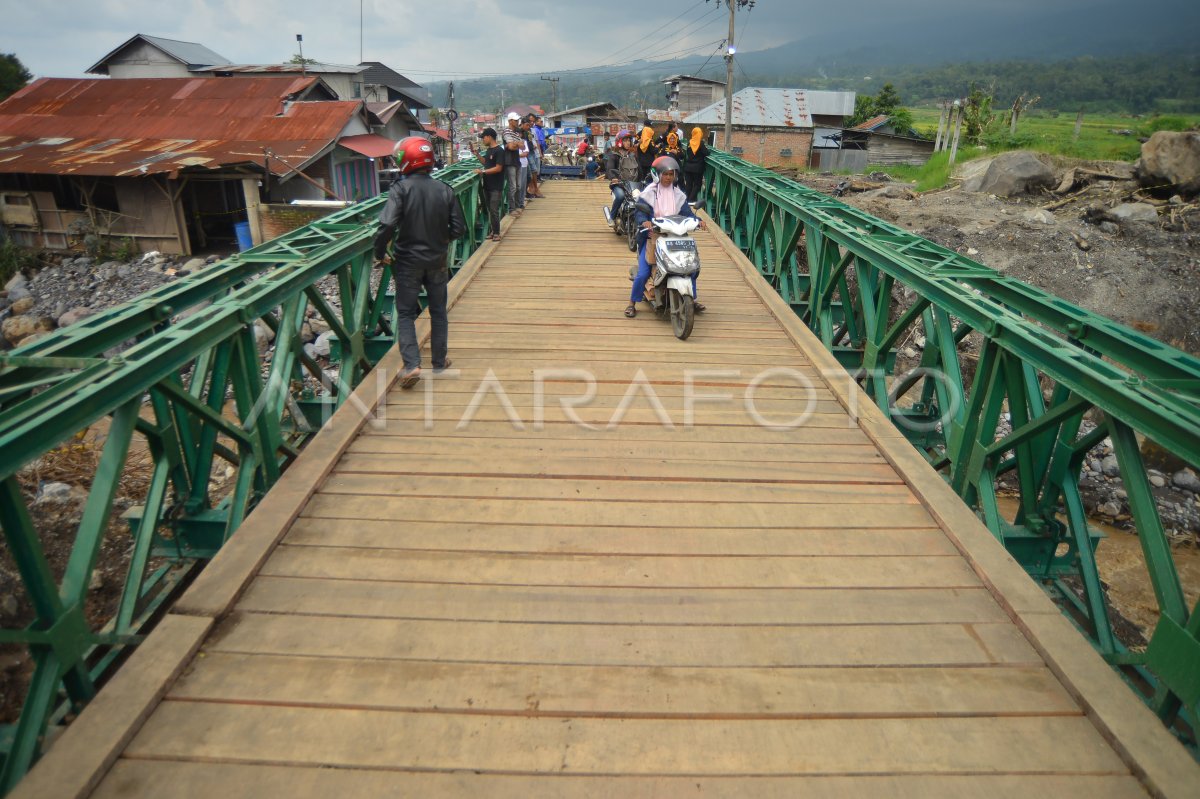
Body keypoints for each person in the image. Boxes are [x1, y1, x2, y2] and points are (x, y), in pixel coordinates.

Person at [373, 137, 467, 388]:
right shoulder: (444, 189)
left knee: (405, 313)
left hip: (407, 263)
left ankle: (413, 365)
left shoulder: (400, 189)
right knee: (438, 312)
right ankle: (438, 361)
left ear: (406, 160)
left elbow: (386, 224)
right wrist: (440, 239)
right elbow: (459, 228)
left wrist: (379, 252)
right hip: (437, 260)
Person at [624, 155, 706, 318]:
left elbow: (687, 213)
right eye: (666, 174)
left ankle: (691, 298)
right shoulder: (649, 193)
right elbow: (640, 212)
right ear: (658, 175)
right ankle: (632, 303)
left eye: (672, 174)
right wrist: (644, 222)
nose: (669, 178)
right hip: (652, 238)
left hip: (676, 238)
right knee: (643, 273)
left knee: (692, 268)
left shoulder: (678, 195)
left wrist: (698, 220)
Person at [471, 128, 505, 241]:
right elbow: (486, 163)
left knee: (494, 210)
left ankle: (497, 233)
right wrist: (477, 155)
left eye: (483, 137)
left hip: (496, 185)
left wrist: (483, 172)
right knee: (490, 210)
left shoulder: (499, 151)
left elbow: (498, 168)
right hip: (487, 184)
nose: (483, 140)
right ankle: (492, 231)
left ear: (489, 137)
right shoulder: (489, 150)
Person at [604, 131, 640, 226]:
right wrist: (613, 178)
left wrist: (646, 179)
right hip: (618, 184)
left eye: (629, 140)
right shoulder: (614, 155)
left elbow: (639, 169)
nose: (628, 142)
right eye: (625, 140)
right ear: (619, 141)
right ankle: (612, 217)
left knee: (643, 198)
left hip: (632, 184)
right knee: (620, 196)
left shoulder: (633, 155)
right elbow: (610, 169)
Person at [501, 112, 524, 216]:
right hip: (509, 161)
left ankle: (517, 206)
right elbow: (511, 147)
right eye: (515, 120)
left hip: (516, 160)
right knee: (513, 186)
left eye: (517, 120)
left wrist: (515, 144)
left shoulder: (515, 132)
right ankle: (512, 209)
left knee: (518, 186)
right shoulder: (507, 131)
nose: (517, 122)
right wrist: (517, 144)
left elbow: (522, 146)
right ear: (510, 121)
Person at [681, 126, 709, 202]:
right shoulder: (700, 143)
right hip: (697, 168)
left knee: (689, 184)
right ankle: (691, 200)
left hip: (688, 167)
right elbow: (706, 153)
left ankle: (687, 200)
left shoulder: (689, 143)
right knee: (697, 185)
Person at [523, 116, 543, 200]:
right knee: (531, 172)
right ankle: (533, 189)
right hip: (526, 154)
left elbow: (535, 141)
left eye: (532, 121)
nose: (531, 123)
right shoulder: (522, 132)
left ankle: (533, 189)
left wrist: (539, 151)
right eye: (529, 122)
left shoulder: (530, 131)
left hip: (532, 152)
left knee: (534, 171)